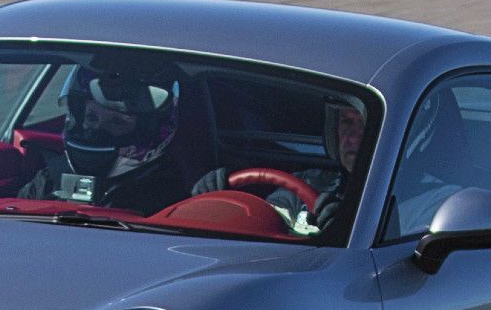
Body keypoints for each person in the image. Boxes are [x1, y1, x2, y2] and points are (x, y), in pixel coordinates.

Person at [18, 58, 188, 215]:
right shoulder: (48, 181)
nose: (98, 131)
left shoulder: (165, 194)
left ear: (145, 131)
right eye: (92, 118)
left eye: (117, 121)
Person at [192, 98, 365, 233]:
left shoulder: (389, 205)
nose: (353, 137)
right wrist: (217, 205)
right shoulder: (309, 182)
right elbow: (264, 220)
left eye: (364, 125)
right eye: (347, 122)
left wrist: (347, 231)